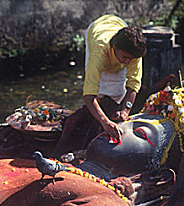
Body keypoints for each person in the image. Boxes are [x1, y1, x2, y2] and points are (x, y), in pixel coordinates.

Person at [54, 14, 147, 157]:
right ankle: (101, 124)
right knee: (101, 94)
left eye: (131, 59)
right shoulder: (99, 52)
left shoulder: (133, 52)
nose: (128, 62)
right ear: (115, 48)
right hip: (96, 31)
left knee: (118, 93)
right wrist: (105, 121)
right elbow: (89, 95)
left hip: (117, 25)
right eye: (125, 58)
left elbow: (133, 84)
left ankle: (111, 118)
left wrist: (125, 110)